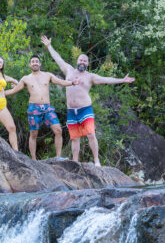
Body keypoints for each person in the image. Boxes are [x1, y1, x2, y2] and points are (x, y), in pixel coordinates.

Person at [41, 35, 135, 167]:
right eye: (81, 60)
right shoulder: (68, 70)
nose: (83, 62)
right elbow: (58, 58)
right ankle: (75, 162)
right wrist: (49, 46)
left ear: (88, 64)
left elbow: (106, 79)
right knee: (75, 138)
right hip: (71, 111)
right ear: (77, 61)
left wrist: (122, 80)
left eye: (85, 61)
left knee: (91, 134)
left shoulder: (90, 77)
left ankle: (97, 161)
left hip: (85, 109)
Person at [5, 55, 80, 160]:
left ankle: (58, 157)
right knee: (34, 133)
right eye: (32, 62)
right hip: (33, 108)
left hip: (47, 108)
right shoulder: (26, 79)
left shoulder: (47, 75)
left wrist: (72, 82)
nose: (35, 63)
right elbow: (13, 91)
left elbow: (61, 82)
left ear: (40, 64)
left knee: (58, 130)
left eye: (36, 61)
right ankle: (34, 159)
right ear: (30, 65)